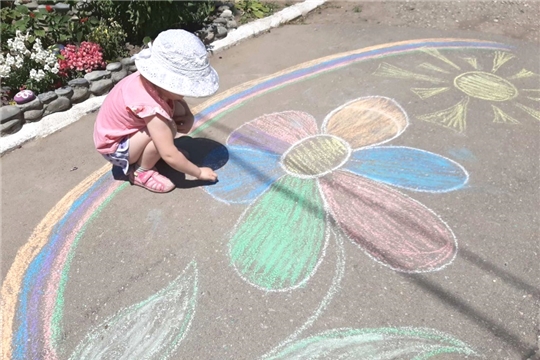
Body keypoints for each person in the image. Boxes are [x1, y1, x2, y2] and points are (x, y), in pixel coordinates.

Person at [93, 29, 219, 193]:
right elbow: (169, 155)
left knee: (172, 115)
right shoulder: (151, 107)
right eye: (182, 87)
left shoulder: (149, 82)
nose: (184, 93)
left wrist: (187, 115)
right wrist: (198, 172)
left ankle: (150, 152)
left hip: (115, 134)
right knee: (167, 129)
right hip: (116, 148)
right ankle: (141, 171)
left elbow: (176, 101)